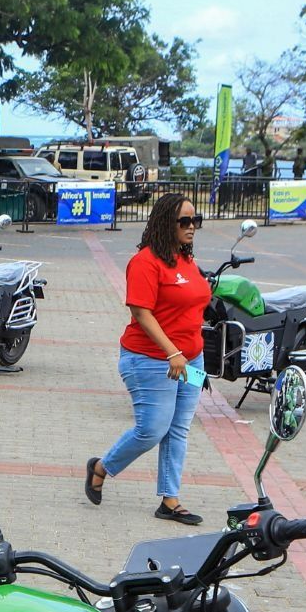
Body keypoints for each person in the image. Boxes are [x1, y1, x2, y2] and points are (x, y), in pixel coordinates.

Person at [85, 193, 210, 524]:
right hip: (152, 360)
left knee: (178, 429)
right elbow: (141, 311)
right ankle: (101, 466)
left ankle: (170, 500)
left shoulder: (186, 260)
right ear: (165, 223)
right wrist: (172, 351)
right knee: (152, 429)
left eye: (195, 220)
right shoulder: (145, 261)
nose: (191, 227)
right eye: (184, 221)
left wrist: (192, 355)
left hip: (191, 362)